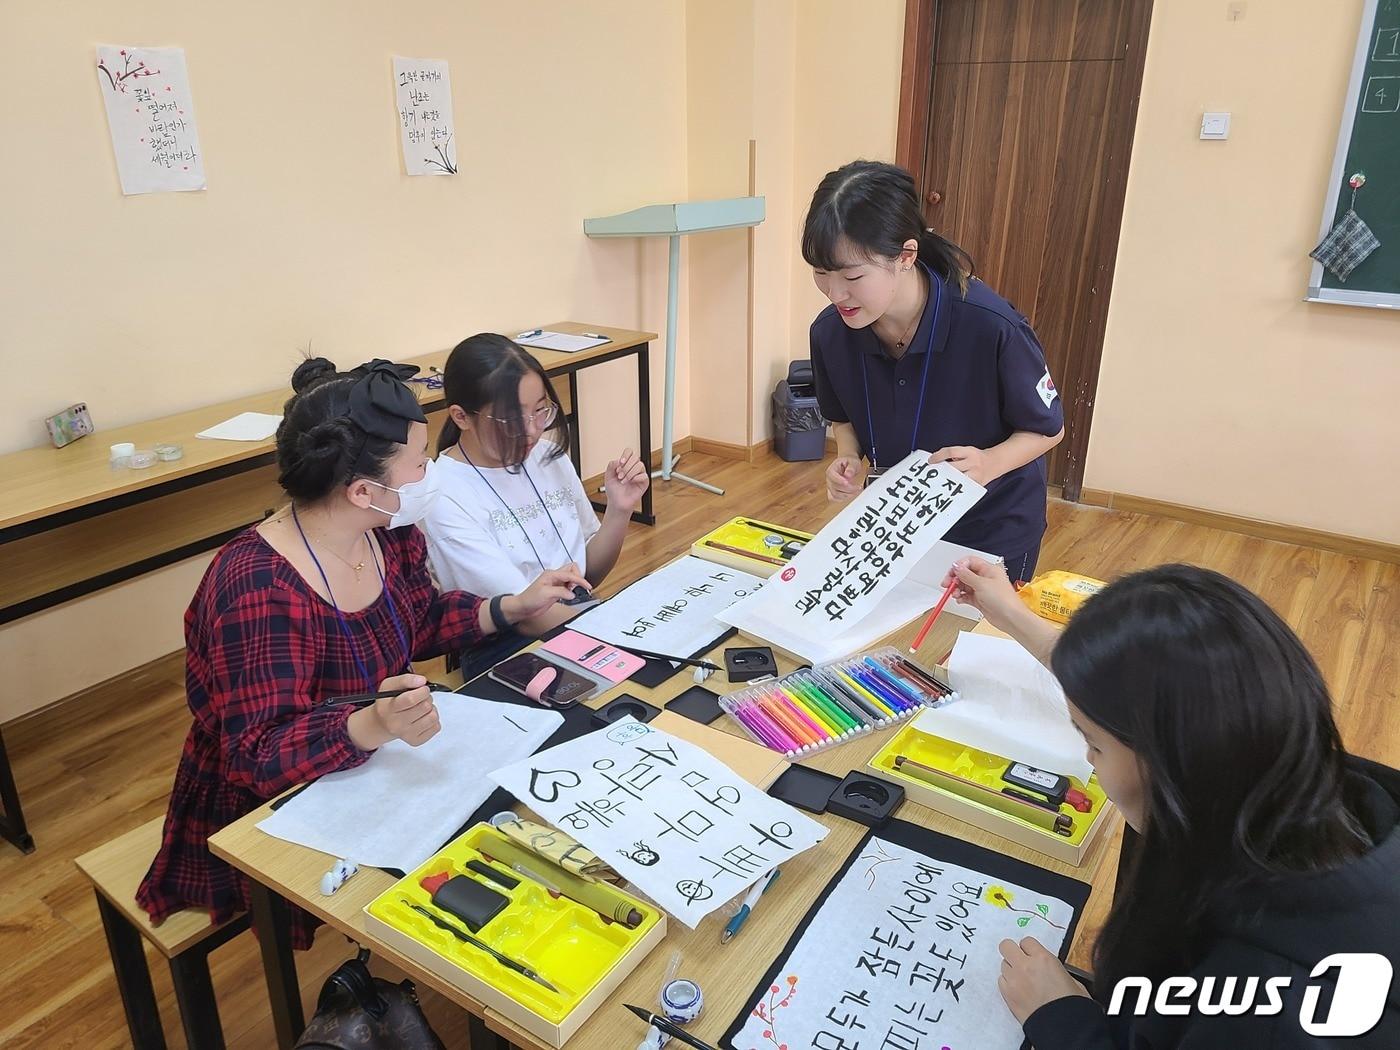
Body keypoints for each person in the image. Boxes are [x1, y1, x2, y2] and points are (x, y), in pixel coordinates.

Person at [137, 358, 585, 947]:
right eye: (421, 464)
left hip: (374, 752)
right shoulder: (257, 585)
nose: (432, 474)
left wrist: (512, 606)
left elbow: (418, 622)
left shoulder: (386, 530)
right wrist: (369, 722)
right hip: (272, 799)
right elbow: (255, 756)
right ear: (363, 490)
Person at [946, 557, 1400, 1048]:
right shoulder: (1280, 764)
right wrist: (1010, 613)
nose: (1089, 760)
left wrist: (1063, 1019)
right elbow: (1139, 694)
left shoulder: (1263, 1006)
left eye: (1094, 744)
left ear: (1169, 763)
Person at [803, 160, 1064, 582]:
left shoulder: (990, 326)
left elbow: (1049, 428)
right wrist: (848, 457)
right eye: (820, 274)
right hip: (892, 530)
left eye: (852, 276)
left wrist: (989, 462)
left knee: (964, 645)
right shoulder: (831, 332)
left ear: (906, 255)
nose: (835, 294)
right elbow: (842, 415)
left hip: (989, 530)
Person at [420, 332, 649, 644]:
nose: (531, 430)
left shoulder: (545, 455)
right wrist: (618, 631)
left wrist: (619, 510)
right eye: (510, 418)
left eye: (540, 410)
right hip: (509, 646)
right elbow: (526, 620)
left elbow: (586, 576)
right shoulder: (443, 493)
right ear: (461, 417)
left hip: (577, 619)